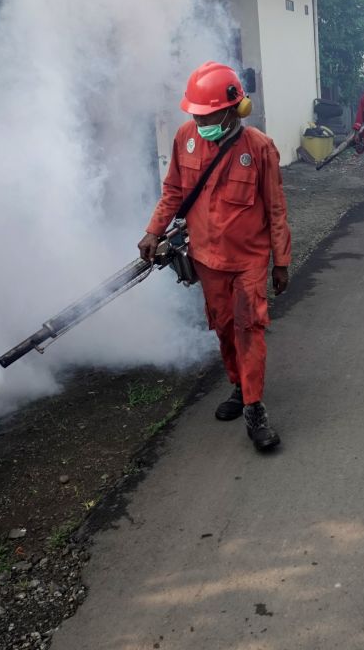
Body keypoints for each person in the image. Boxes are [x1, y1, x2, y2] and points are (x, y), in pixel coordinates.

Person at [138, 61, 291, 452]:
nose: (199, 120)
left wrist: (281, 261)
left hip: (249, 262)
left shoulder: (258, 147)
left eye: (207, 114)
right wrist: (154, 230)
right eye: (195, 113)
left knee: (248, 328)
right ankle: (239, 387)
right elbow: (174, 189)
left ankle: (255, 410)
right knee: (223, 327)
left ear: (233, 110)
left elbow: (275, 209)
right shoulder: (186, 138)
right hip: (207, 260)